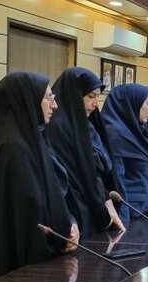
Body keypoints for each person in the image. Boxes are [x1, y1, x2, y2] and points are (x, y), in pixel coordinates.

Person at [0, 72, 78, 282]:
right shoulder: (13, 148)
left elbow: (52, 195)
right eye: (48, 98)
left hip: (40, 257)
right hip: (20, 271)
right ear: (27, 101)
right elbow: (30, 214)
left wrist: (69, 226)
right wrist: (61, 235)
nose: (54, 105)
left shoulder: (30, 139)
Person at [46, 68, 124, 235]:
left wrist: (106, 200)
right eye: (90, 96)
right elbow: (77, 176)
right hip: (75, 212)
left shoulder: (87, 124)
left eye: (97, 97)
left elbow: (102, 165)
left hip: (95, 206)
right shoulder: (59, 127)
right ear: (74, 95)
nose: (95, 104)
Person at [103, 83, 148, 224]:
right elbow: (118, 181)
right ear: (132, 104)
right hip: (131, 214)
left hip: (147, 210)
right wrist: (124, 222)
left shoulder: (138, 130)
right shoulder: (115, 134)